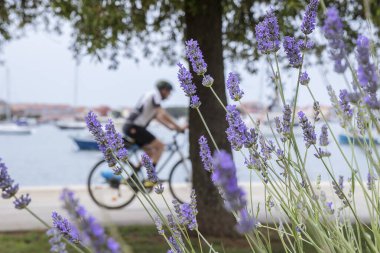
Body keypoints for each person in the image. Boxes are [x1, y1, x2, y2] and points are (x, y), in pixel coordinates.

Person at [122, 80, 187, 176]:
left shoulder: (150, 95)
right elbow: (162, 113)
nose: (169, 96)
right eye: (169, 92)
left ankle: (134, 173)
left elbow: (157, 117)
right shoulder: (155, 95)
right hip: (135, 127)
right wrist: (179, 126)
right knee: (160, 146)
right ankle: (151, 177)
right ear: (164, 90)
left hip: (132, 127)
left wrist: (170, 127)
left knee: (150, 152)